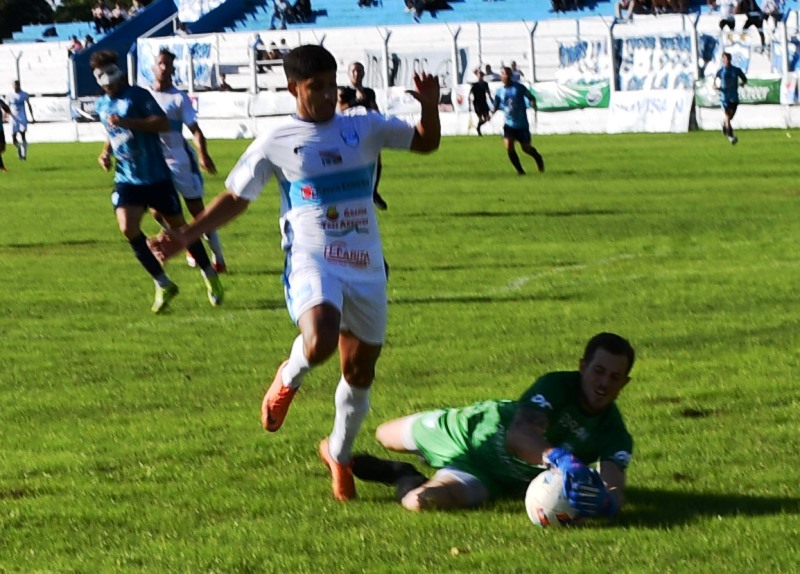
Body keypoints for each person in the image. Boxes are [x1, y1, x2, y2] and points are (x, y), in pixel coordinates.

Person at [148, 44, 441, 501]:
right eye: (314, 87)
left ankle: (338, 454)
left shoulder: (362, 126)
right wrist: (186, 236)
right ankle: (288, 377)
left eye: (330, 85)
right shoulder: (277, 140)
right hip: (312, 258)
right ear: (293, 89)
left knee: (360, 371)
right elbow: (237, 197)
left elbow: (425, 141)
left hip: (366, 264)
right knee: (320, 339)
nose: (326, 95)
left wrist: (429, 106)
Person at [351, 332, 635, 515]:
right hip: (469, 431)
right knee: (384, 434)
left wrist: (606, 503)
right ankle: (427, 446)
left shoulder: (615, 433)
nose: (604, 383)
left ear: (624, 383)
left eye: (614, 377)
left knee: (419, 502)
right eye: (599, 371)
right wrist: (561, 459)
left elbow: (614, 486)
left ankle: (402, 474)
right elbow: (518, 436)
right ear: (583, 366)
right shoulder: (557, 386)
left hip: (492, 476)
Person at [90, 50, 223, 313]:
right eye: (103, 79)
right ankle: (163, 283)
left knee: (181, 229)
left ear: (119, 74)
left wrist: (129, 121)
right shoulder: (101, 105)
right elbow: (113, 133)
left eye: (111, 77)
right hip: (127, 178)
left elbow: (162, 123)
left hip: (156, 177)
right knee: (127, 228)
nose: (109, 84)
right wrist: (105, 152)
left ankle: (210, 274)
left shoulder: (138, 95)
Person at [148, 48, 227, 273]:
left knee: (199, 215)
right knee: (157, 212)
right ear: (153, 67)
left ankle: (218, 258)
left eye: (168, 64)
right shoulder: (144, 97)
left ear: (173, 69)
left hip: (180, 162)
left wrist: (203, 154)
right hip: (156, 164)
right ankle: (188, 243)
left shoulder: (178, 98)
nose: (164, 68)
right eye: (161, 63)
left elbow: (196, 131)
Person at [348, 60, 388, 210]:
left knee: (376, 162)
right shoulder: (344, 92)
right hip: (350, 134)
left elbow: (373, 109)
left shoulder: (369, 92)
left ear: (364, 73)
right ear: (348, 74)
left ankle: (373, 192)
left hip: (368, 131)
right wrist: (357, 100)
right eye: (353, 71)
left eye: (359, 71)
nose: (356, 74)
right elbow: (341, 109)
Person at [491, 66, 544, 175]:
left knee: (526, 148)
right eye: (502, 74)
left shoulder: (519, 88)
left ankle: (537, 157)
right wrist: (490, 114)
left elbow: (531, 97)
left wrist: (533, 103)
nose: (504, 76)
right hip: (508, 125)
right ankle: (520, 171)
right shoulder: (499, 91)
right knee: (509, 147)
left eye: (506, 74)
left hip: (521, 125)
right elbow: (496, 105)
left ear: (510, 75)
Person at [714, 51, 747, 145]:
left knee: (730, 117)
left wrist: (742, 83)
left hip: (734, 97)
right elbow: (714, 82)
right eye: (725, 59)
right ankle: (731, 136)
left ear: (730, 59)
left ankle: (725, 124)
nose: (727, 60)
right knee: (728, 116)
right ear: (723, 60)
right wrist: (716, 87)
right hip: (724, 98)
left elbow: (744, 79)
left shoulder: (736, 70)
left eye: (728, 59)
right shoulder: (720, 72)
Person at [7, 81, 34, 161]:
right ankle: (19, 148)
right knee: (13, 138)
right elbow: (6, 107)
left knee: (23, 135)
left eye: (17, 85)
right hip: (13, 118)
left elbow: (29, 105)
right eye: (14, 85)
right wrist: (6, 116)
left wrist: (32, 117)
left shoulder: (24, 94)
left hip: (22, 118)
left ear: (19, 85)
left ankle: (24, 154)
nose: (15, 87)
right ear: (12, 86)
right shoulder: (9, 95)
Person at [469, 69, 492, 136]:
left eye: (481, 75)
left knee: (487, 118)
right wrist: (470, 104)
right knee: (480, 118)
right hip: (477, 103)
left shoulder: (485, 84)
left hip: (483, 102)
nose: (480, 76)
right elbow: (470, 95)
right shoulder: (475, 85)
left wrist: (491, 100)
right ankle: (478, 130)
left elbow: (488, 92)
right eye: (479, 75)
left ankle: (478, 127)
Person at [0, 97, 12, 173]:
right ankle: (2, 167)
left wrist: (6, 114)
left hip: (0, 129)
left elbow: (6, 108)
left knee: (2, 148)